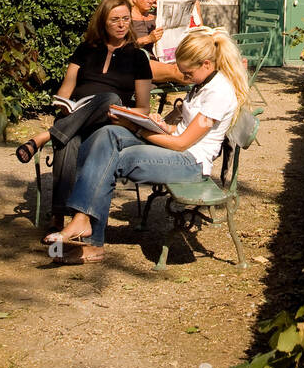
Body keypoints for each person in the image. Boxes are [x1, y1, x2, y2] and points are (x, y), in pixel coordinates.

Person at [45, 27, 248, 264]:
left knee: (112, 159)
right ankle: (82, 220)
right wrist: (157, 124)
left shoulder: (219, 91)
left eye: (188, 73)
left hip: (190, 163)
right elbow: (180, 132)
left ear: (206, 64)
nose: (185, 77)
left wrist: (136, 128)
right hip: (176, 151)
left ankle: (91, 239)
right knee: (107, 133)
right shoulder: (203, 82)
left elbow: (182, 144)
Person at [15, 0, 153, 227]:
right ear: (102, 22)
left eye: (126, 19)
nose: (121, 25)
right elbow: (65, 91)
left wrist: (121, 114)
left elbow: (143, 108)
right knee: (68, 139)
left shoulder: (138, 57)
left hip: (109, 121)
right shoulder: (85, 50)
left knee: (110, 98)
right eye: (114, 20)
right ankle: (60, 216)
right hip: (75, 115)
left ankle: (45, 136)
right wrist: (62, 105)